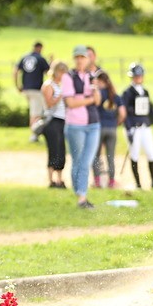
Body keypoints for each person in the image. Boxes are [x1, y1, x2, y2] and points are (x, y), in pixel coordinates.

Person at [60, 45, 101, 208]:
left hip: (93, 124)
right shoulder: (68, 77)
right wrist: (89, 98)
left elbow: (98, 100)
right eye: (77, 57)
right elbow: (70, 103)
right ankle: (80, 195)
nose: (80, 60)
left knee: (86, 161)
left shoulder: (91, 76)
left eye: (83, 57)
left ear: (88, 59)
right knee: (78, 161)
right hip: (75, 124)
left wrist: (91, 94)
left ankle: (81, 195)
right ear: (74, 59)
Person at [120, 62, 153, 189]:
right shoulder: (127, 93)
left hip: (145, 126)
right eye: (135, 76)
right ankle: (138, 183)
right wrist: (128, 129)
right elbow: (124, 112)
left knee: (151, 152)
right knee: (135, 153)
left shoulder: (145, 92)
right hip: (134, 127)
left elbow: (150, 110)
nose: (138, 78)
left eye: (139, 76)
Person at [92, 70, 126, 189]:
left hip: (99, 128)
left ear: (100, 81)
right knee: (110, 157)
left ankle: (97, 181)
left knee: (96, 155)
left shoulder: (98, 94)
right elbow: (122, 113)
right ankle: (111, 181)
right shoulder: (115, 96)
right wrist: (116, 123)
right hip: (112, 129)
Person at [40, 62, 68, 188]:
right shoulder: (48, 85)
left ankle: (60, 179)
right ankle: (51, 180)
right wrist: (61, 95)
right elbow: (49, 103)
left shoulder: (59, 85)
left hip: (61, 121)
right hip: (52, 121)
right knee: (54, 150)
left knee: (61, 150)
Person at [15, 42, 50, 139]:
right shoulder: (40, 59)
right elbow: (49, 72)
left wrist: (17, 85)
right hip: (36, 89)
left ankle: (34, 133)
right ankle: (34, 134)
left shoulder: (24, 57)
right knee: (36, 113)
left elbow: (15, 71)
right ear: (40, 48)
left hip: (26, 89)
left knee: (33, 110)